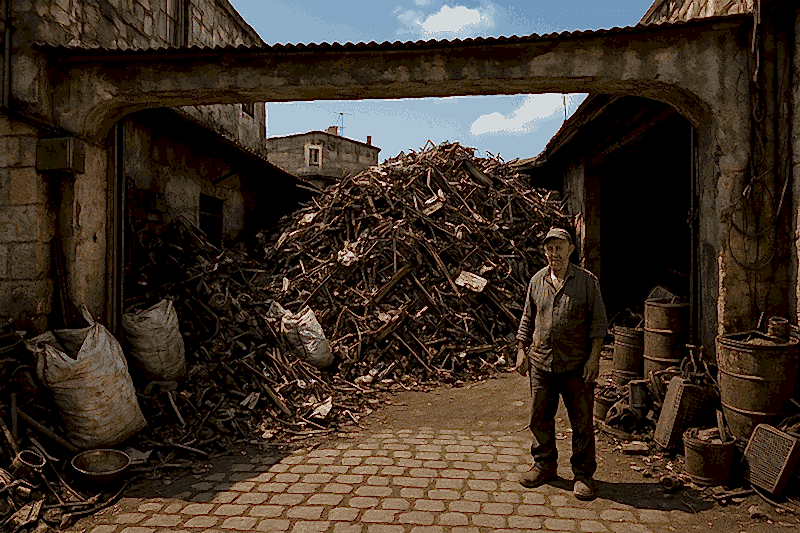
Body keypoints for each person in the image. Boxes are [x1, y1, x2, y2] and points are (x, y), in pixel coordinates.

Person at [514, 227, 607, 500]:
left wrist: (594, 359)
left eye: (559, 248)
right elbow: (527, 320)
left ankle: (583, 473)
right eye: (550, 248)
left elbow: (599, 324)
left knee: (582, 421)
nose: (554, 254)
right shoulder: (537, 281)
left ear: (571, 250)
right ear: (545, 252)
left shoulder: (587, 282)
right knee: (539, 417)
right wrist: (521, 349)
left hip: (577, 365)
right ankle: (544, 465)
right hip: (542, 363)